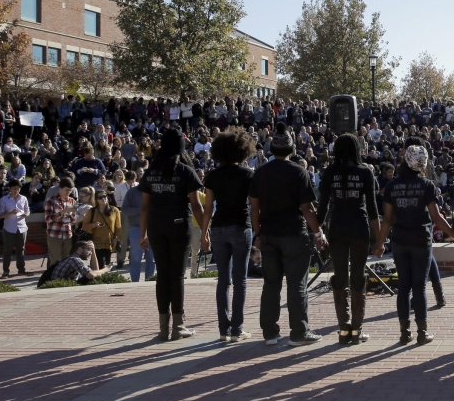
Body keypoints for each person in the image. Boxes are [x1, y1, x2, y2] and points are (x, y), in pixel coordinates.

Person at [373, 143, 454, 345]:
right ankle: (422, 333)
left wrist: (380, 244)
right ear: (423, 164)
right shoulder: (426, 185)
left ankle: (404, 333)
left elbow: (387, 220)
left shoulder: (391, 186)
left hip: (399, 241)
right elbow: (437, 218)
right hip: (421, 241)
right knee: (419, 287)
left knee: (403, 287)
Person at [249, 123, 325, 346]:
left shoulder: (260, 173)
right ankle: (299, 332)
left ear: (272, 149)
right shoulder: (298, 172)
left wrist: (258, 234)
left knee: (271, 284)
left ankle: (270, 333)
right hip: (294, 233)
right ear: (292, 149)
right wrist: (318, 231)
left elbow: (254, 208)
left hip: (269, 234)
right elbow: (307, 208)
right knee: (296, 285)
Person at [139, 129, 205, 341]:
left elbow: (144, 208)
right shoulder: (185, 171)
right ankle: (178, 325)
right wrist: (205, 232)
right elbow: (196, 205)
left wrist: (143, 235)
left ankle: (162, 328)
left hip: (156, 226)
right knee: (177, 276)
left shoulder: (150, 172)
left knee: (163, 275)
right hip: (179, 225)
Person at [316, 133, 381, 344]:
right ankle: (357, 329)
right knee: (358, 277)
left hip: (337, 228)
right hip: (359, 228)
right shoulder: (365, 172)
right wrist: (379, 239)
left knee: (340, 277)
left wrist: (317, 232)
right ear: (356, 150)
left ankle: (343, 329)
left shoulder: (329, 173)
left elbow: (323, 207)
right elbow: (372, 209)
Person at [200, 128, 256, 342]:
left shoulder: (213, 175)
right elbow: (253, 206)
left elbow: (207, 209)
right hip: (241, 225)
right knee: (240, 279)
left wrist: (204, 234)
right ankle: (237, 329)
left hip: (218, 227)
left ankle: (223, 330)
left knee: (223, 280)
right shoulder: (248, 174)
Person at [121, 173, 153, 281]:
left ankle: (150, 281)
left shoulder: (155, 192)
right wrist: (141, 210)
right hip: (136, 228)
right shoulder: (132, 192)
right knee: (135, 259)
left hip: (152, 229)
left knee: (152, 259)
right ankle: (135, 283)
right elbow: (124, 210)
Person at [0, 178, 30, 277]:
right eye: (14, 188)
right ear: (9, 188)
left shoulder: (23, 198)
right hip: (9, 228)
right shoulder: (4, 200)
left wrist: (25, 214)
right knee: (8, 250)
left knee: (21, 249)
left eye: (18, 188)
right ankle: (6, 270)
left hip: (22, 227)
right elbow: (0, 215)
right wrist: (10, 213)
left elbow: (28, 210)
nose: (16, 191)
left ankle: (21, 268)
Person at [82, 191, 121, 268]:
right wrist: (94, 225)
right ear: (96, 200)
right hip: (96, 243)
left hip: (109, 242)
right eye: (100, 197)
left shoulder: (114, 210)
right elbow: (84, 226)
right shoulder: (91, 211)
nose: (103, 199)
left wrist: (116, 238)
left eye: (105, 196)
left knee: (107, 265)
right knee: (99, 265)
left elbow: (118, 227)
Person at [44, 177, 77, 265]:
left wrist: (73, 216)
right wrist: (61, 213)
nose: (68, 192)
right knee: (56, 261)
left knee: (66, 261)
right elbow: (47, 219)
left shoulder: (72, 201)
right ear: (60, 188)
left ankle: (64, 278)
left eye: (70, 190)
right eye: (66, 190)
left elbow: (73, 220)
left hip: (67, 234)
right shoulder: (51, 200)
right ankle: (55, 278)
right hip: (55, 234)